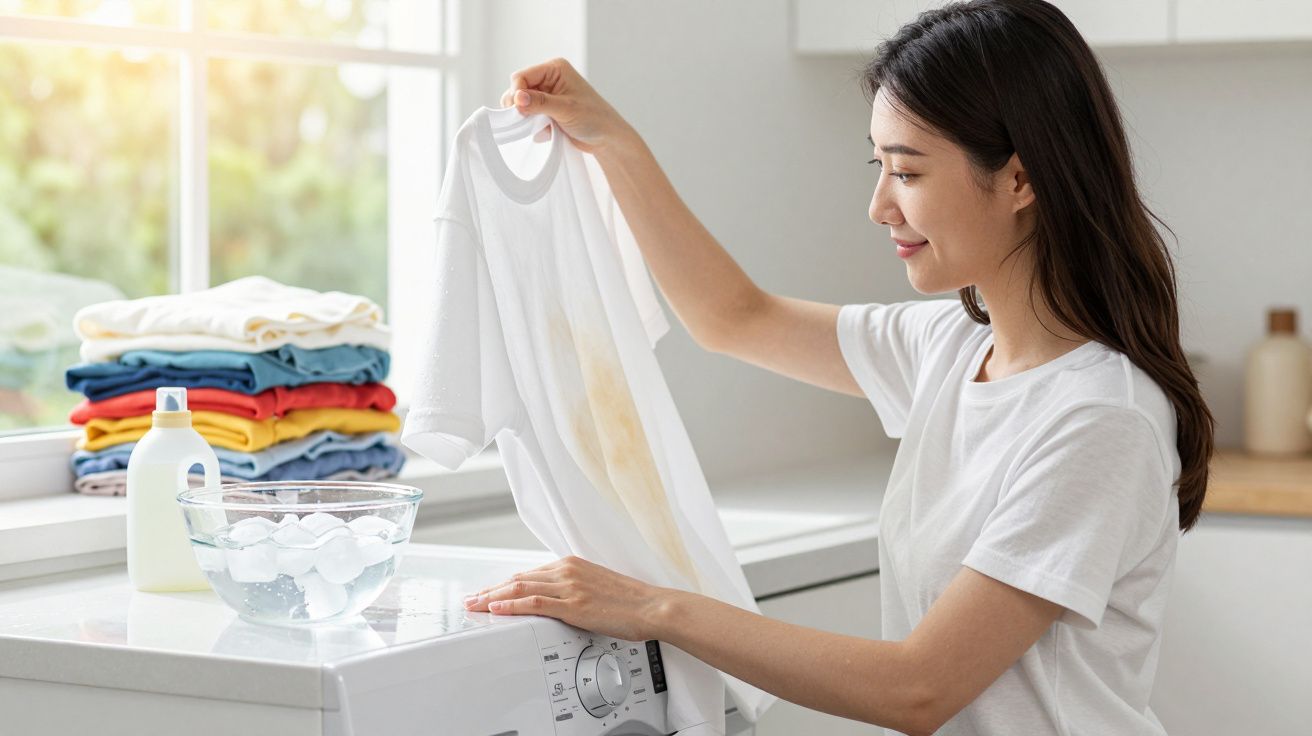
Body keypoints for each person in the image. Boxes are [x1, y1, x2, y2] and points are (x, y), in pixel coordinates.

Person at [463, 1, 1215, 733]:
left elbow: (920, 689)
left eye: (908, 173)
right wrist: (612, 139)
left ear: (1020, 180)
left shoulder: (1099, 419)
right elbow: (735, 318)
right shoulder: (951, 347)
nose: (879, 205)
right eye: (878, 166)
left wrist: (654, 607)